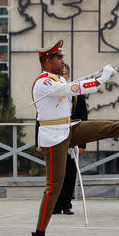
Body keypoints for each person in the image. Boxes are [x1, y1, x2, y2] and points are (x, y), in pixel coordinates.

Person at [30, 40, 119, 236]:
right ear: (48, 61)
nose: (63, 61)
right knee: (53, 187)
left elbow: (67, 96)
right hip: (54, 138)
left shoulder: (55, 79)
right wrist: (100, 80)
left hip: (68, 130)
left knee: (107, 128)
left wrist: (72, 141)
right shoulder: (44, 82)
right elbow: (72, 88)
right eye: (59, 58)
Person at [52, 64, 87, 215]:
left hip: (72, 138)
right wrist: (39, 141)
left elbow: (83, 119)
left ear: (68, 76)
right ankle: (55, 205)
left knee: (70, 172)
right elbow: (39, 118)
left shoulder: (77, 93)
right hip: (54, 137)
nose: (62, 76)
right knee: (55, 174)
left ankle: (67, 204)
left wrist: (82, 143)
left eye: (64, 74)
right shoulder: (51, 91)